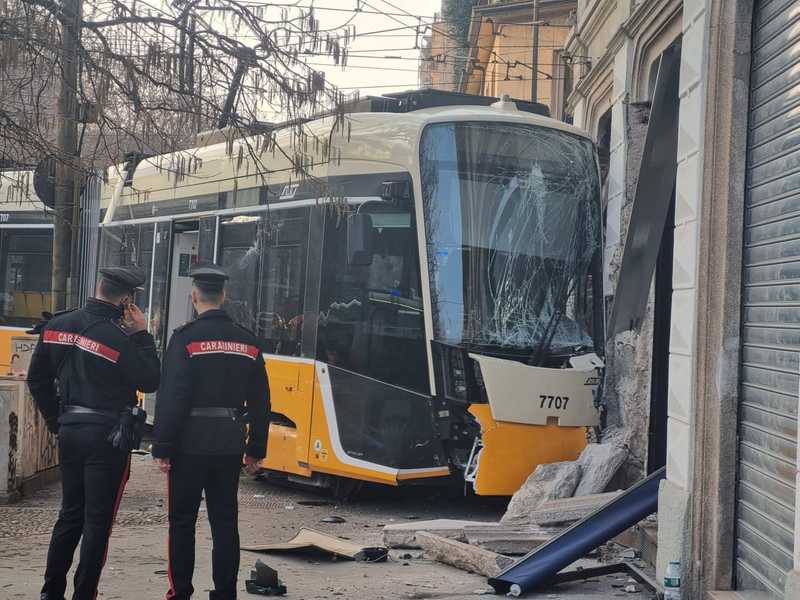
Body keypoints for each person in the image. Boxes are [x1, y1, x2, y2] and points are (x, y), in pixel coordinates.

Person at [26, 266, 161, 600]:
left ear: (98, 287)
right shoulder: (120, 338)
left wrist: (57, 420)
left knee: (69, 515)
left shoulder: (57, 325)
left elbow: (37, 379)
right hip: (108, 437)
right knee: (97, 522)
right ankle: (84, 594)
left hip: (70, 431)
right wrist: (143, 334)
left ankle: (50, 592)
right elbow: (150, 380)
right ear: (126, 300)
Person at [152, 263, 270, 600]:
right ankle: (225, 593)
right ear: (224, 296)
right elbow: (261, 400)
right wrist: (256, 448)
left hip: (189, 443)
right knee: (225, 522)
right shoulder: (248, 341)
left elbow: (173, 396)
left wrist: (163, 447)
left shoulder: (184, 339)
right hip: (229, 443)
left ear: (194, 297)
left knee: (182, 522)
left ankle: (181, 592)